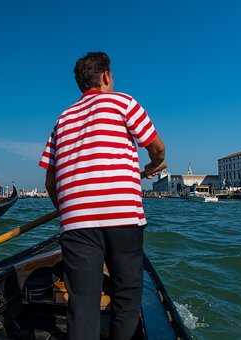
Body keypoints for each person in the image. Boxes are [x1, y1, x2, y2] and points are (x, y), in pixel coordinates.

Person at [39, 52, 167, 340]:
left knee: (82, 304)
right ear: (106, 76)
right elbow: (157, 147)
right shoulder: (123, 102)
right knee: (126, 293)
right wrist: (155, 164)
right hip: (122, 216)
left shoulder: (62, 119)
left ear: (80, 84)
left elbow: (50, 183)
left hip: (76, 224)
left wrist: (69, 212)